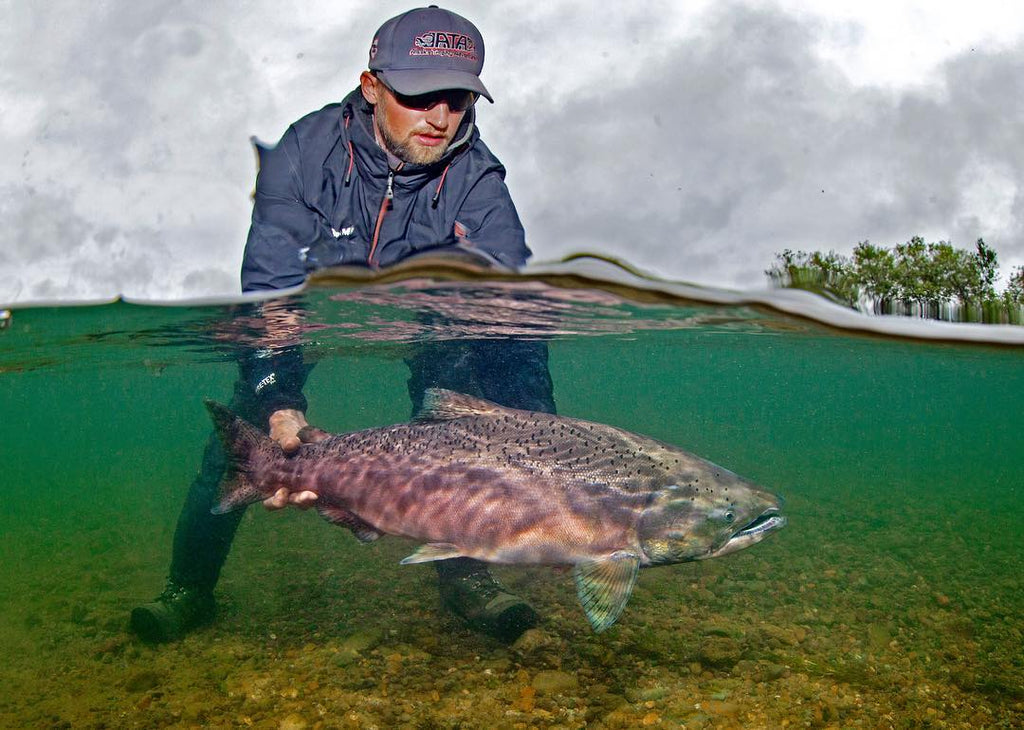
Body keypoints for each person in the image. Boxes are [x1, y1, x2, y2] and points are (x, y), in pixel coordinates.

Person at [130, 5, 555, 644]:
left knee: (469, 444)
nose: (441, 118)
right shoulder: (303, 152)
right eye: (418, 96)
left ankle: (467, 580)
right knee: (241, 444)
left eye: (459, 99)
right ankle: (188, 587)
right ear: (371, 86)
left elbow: (512, 321)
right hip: (306, 310)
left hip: (430, 320)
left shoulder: (481, 183)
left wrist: (538, 432)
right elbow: (270, 286)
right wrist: (279, 403)